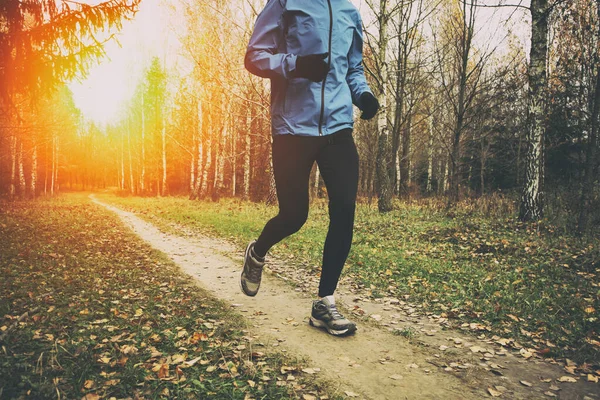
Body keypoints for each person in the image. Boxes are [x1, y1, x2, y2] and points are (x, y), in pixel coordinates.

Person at [241, 0, 379, 336]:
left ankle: (324, 302)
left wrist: (363, 95)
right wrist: (296, 65)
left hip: (337, 128)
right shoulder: (286, 4)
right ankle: (257, 252)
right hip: (292, 127)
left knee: (345, 209)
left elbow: (353, 69)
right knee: (294, 215)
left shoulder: (349, 12)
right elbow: (254, 57)